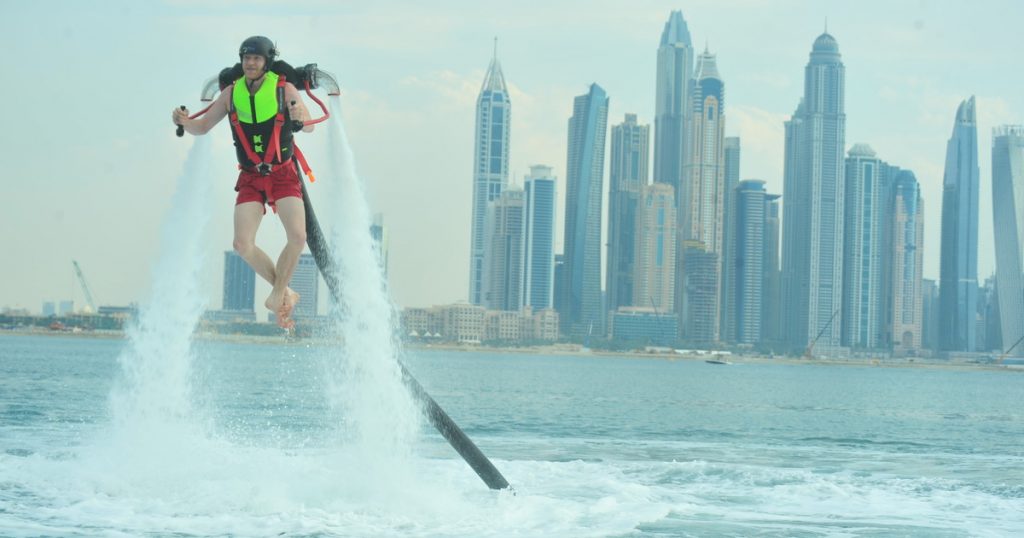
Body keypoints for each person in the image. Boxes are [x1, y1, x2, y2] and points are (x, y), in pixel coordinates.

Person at [173, 36, 314, 329]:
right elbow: (202, 126)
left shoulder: (283, 89)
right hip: (250, 176)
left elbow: (309, 125)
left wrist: (301, 113)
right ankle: (283, 293)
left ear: (267, 62)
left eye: (257, 59)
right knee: (241, 243)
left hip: (282, 173)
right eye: (246, 58)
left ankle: (277, 295)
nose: (250, 63)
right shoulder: (230, 94)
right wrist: (183, 122)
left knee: (298, 238)